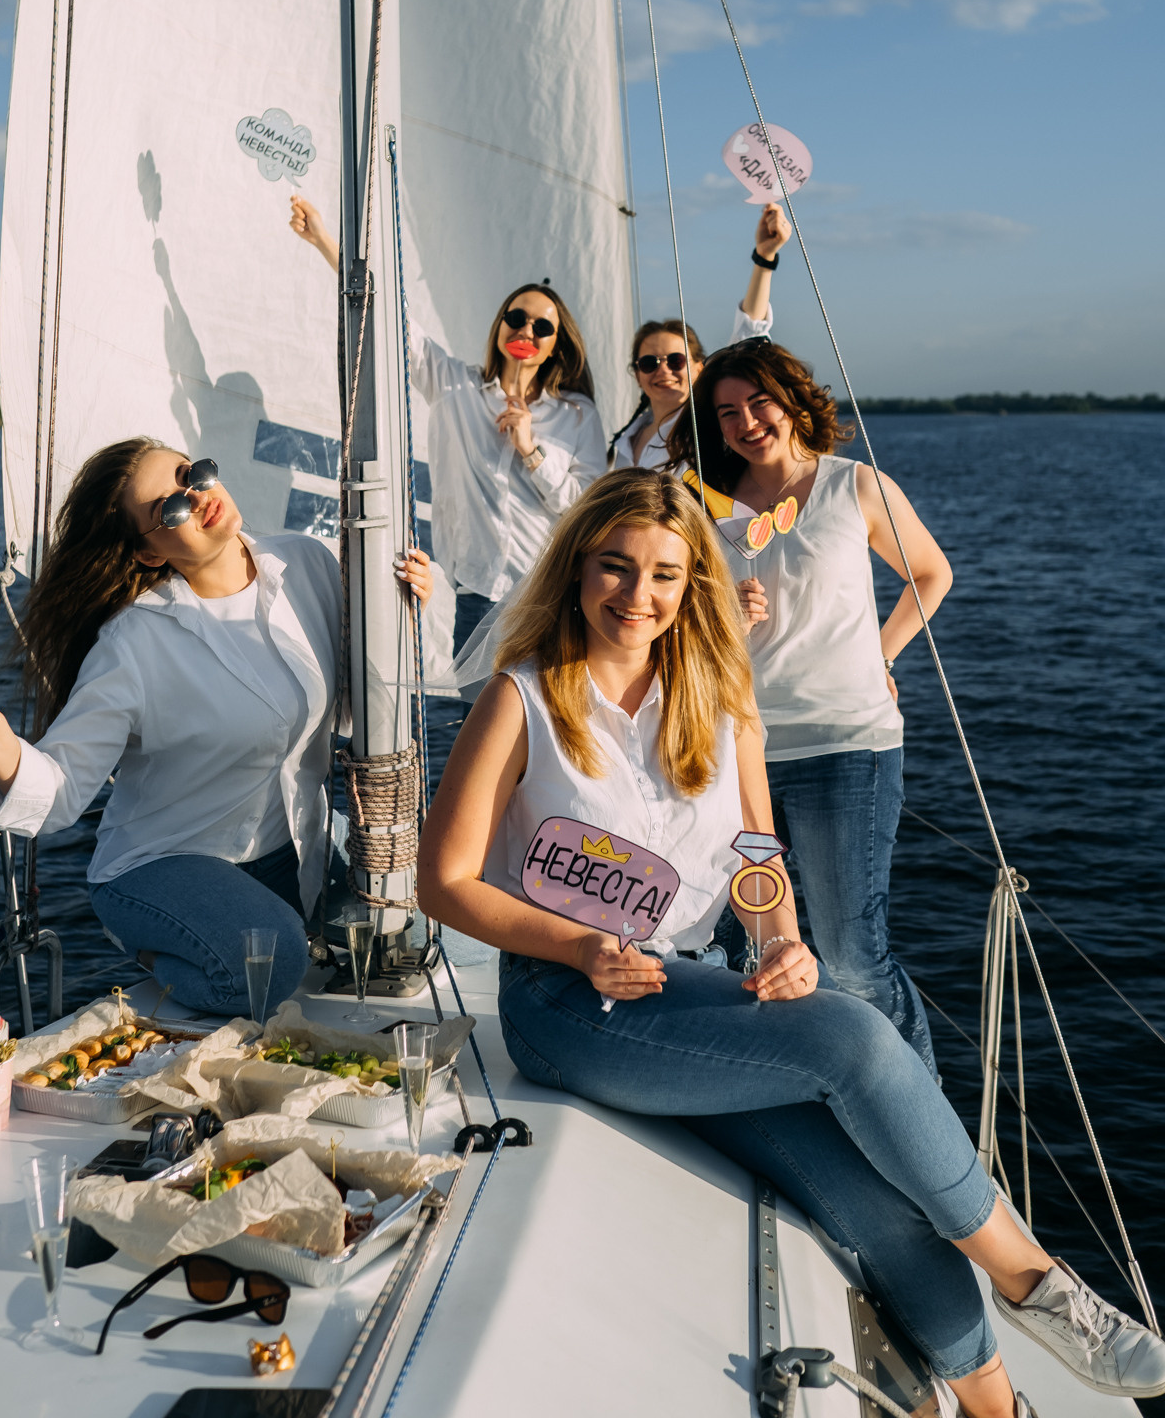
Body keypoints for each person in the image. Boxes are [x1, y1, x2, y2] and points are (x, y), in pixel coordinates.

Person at [416, 470, 1165, 1417]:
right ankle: (1037, 1284)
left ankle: (994, 1407)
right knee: (853, 1040)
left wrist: (783, 941)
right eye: (614, 568)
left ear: (692, 588)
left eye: (663, 577)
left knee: (874, 1199)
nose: (635, 597)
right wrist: (577, 948)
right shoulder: (522, 698)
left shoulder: (719, 696)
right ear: (576, 571)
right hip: (571, 1003)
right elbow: (442, 883)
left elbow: (755, 851)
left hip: (694, 989)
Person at [0, 438, 432, 1016]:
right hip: (165, 863)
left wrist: (403, 609)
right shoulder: (134, 643)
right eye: (168, 510)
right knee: (272, 971)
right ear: (148, 554)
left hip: (291, 848)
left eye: (191, 474)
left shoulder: (307, 563)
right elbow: (63, 792)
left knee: (410, 915)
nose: (195, 498)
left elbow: (350, 705)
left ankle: (257, 924)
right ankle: (152, 957)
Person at [667, 339, 948, 1075]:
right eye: (726, 412)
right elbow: (666, 613)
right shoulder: (704, 503)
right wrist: (723, 609)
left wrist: (882, 655)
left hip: (844, 747)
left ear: (792, 400)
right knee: (738, 951)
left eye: (758, 402)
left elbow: (929, 573)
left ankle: (918, 1109)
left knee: (851, 957)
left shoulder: (854, 486)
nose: (745, 422)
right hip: (736, 753)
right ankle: (771, 1087)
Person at [290, 193, 606, 665]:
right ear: (500, 327)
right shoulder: (454, 385)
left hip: (552, 594)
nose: (526, 331)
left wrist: (531, 452)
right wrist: (323, 241)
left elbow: (586, 509)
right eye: (515, 318)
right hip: (478, 596)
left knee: (551, 730)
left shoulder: (577, 414)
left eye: (542, 327)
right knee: (481, 722)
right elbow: (391, 318)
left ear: (556, 347)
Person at [608, 203, 790, 470]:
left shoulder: (708, 425)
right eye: (649, 363)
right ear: (637, 374)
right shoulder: (626, 437)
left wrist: (764, 259)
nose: (663, 370)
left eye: (676, 360)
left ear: (698, 368)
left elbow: (749, 337)